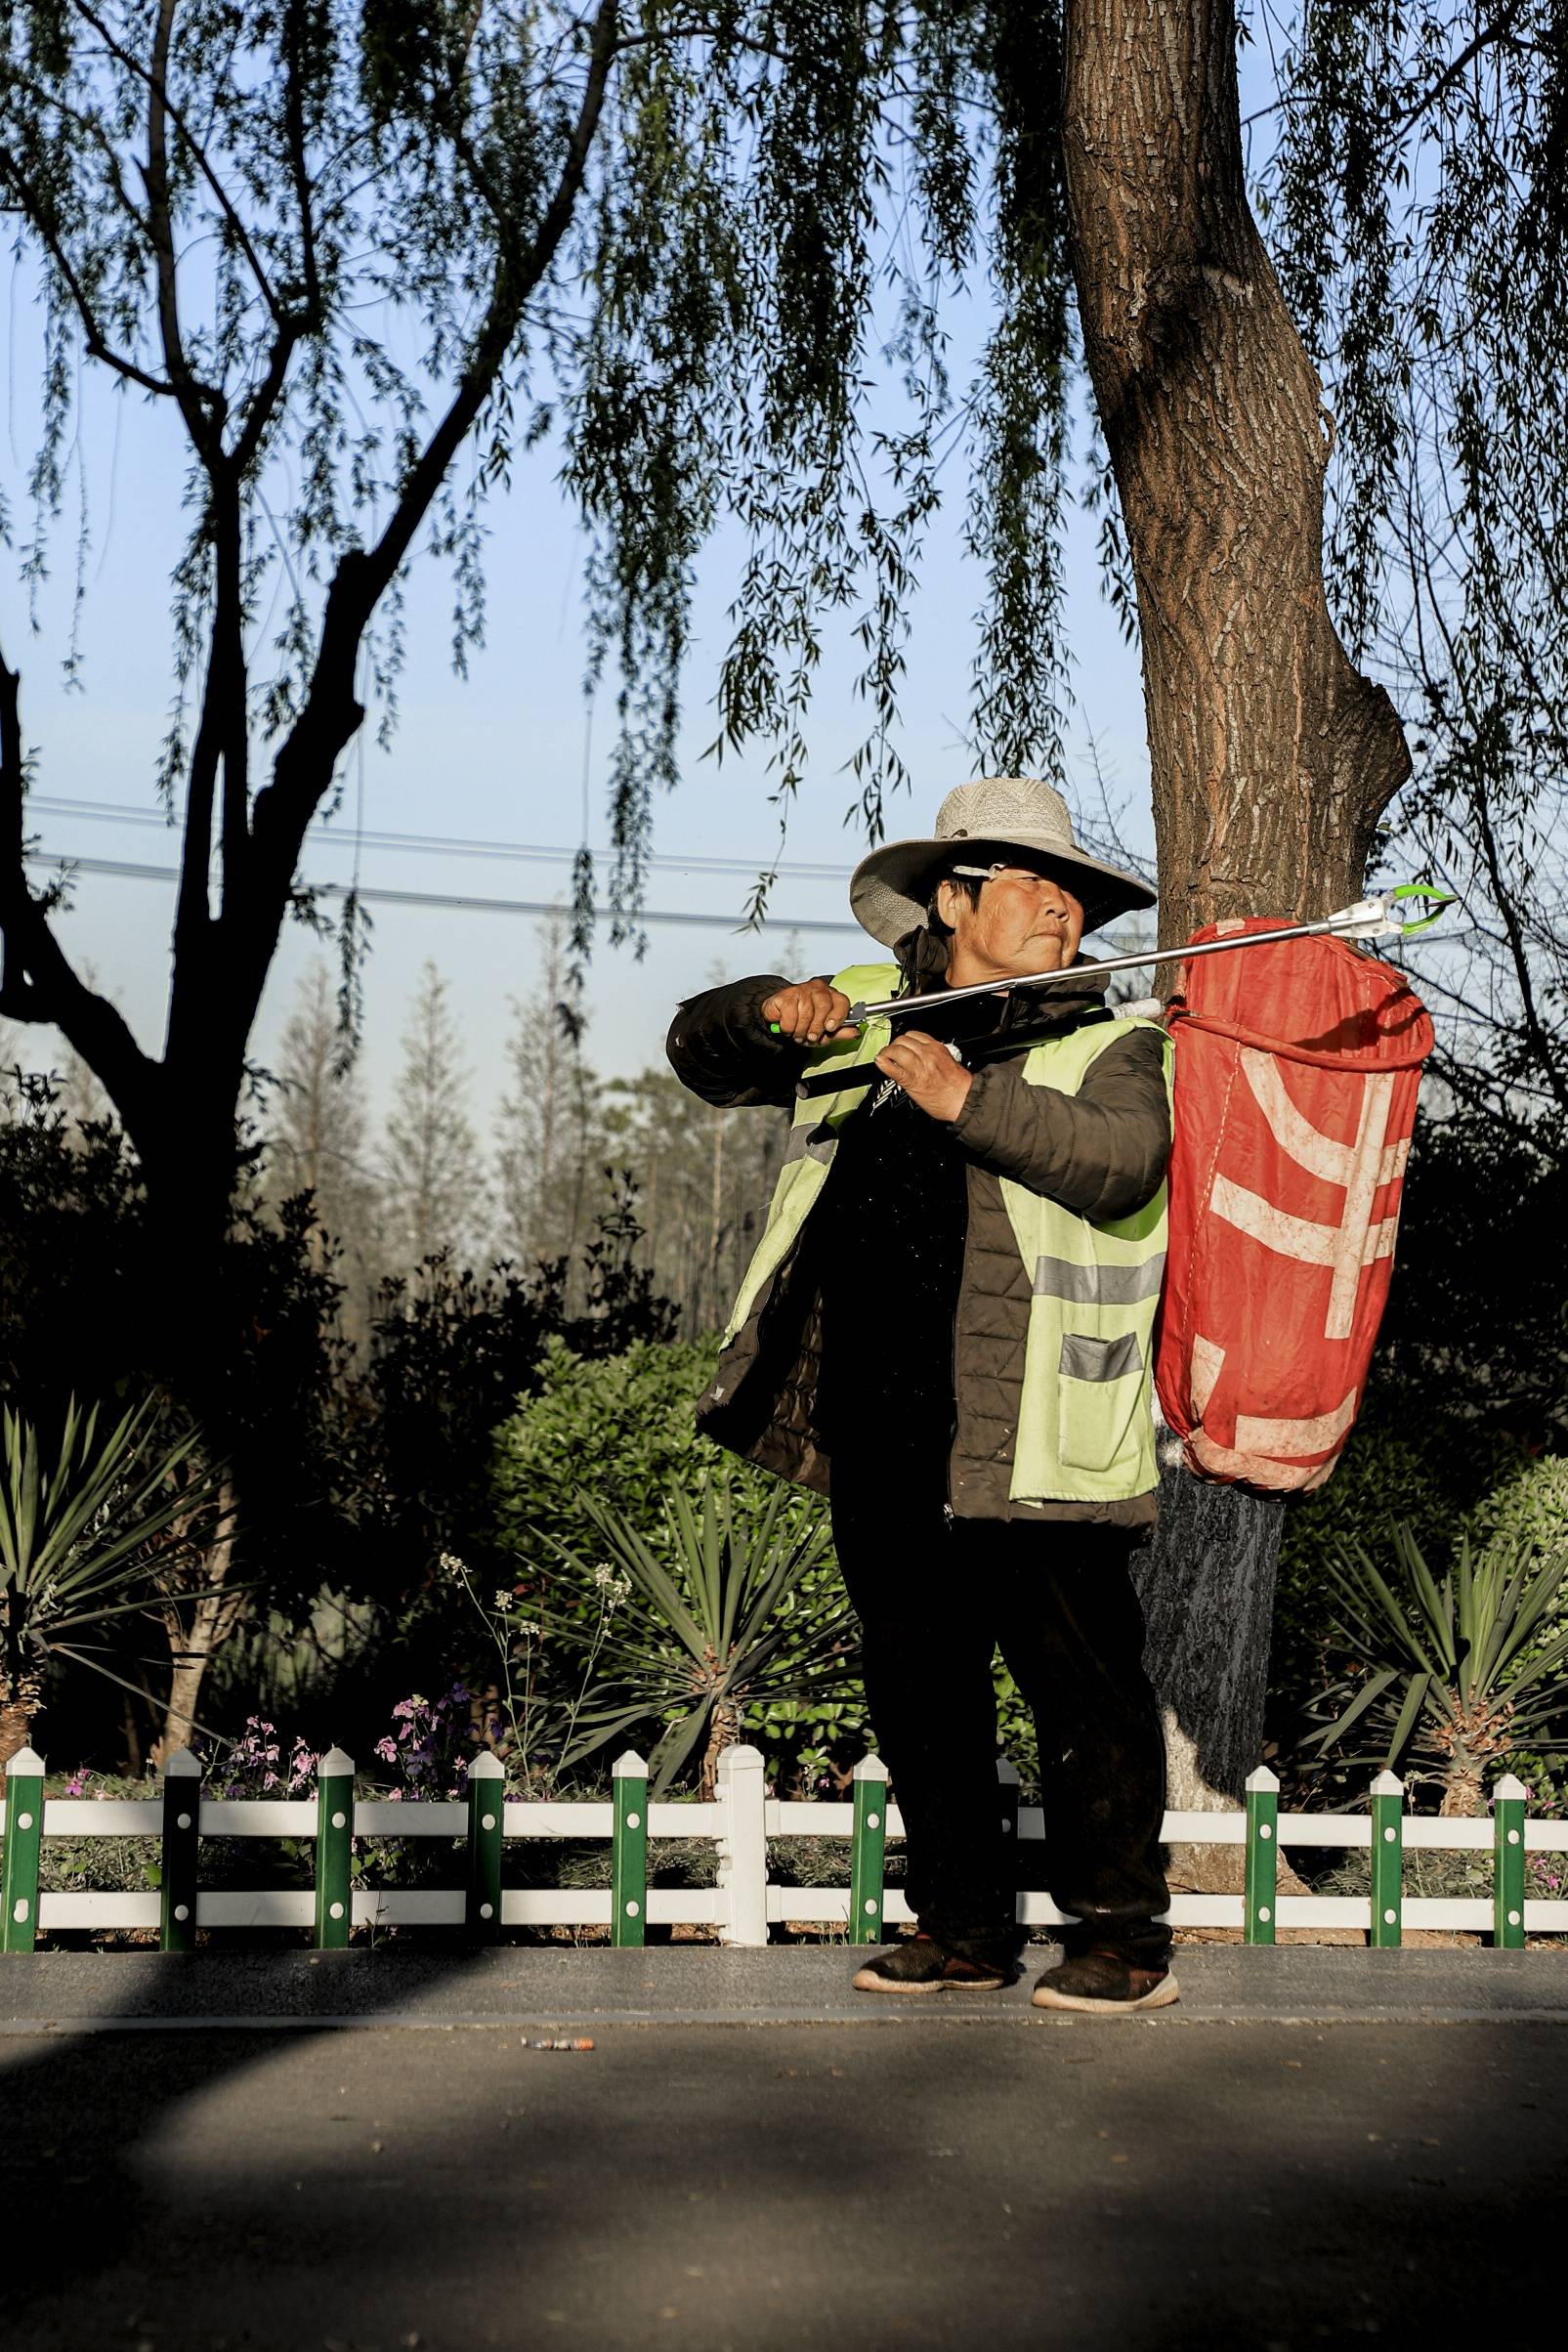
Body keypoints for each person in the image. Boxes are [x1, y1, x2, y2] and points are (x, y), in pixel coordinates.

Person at [666, 776, 1178, 2013]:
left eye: (1075, 898)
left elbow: (1122, 1160)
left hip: (1030, 1419)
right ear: (952, 899)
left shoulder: (1113, 1037)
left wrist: (968, 1098)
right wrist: (762, 1009)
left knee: (1083, 1681)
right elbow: (701, 1049)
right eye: (1033, 888)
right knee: (916, 1675)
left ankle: (1121, 1935)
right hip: (878, 1414)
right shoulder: (861, 1015)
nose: (1063, 913)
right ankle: (961, 1924)